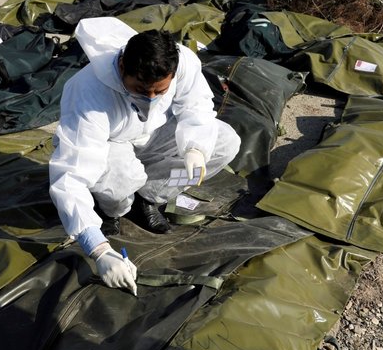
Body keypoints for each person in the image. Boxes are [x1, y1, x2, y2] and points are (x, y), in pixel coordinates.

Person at [48, 18, 241, 294]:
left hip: (153, 133)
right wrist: (98, 248)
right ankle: (115, 208)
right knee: (122, 183)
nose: (150, 98)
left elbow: (196, 106)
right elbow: (71, 176)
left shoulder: (182, 62)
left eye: (159, 91)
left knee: (224, 141)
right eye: (140, 90)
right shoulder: (88, 92)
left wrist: (196, 148)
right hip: (111, 143)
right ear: (123, 67)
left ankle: (150, 197)